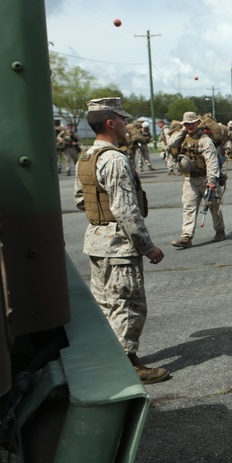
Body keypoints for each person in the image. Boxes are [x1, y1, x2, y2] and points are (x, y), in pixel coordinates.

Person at [73, 97, 169, 384]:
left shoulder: (87, 157)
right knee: (128, 304)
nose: (128, 125)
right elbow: (126, 211)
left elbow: (82, 200)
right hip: (118, 246)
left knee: (106, 304)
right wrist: (148, 246)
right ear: (111, 123)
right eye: (124, 120)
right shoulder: (114, 159)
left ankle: (108, 358)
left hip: (96, 241)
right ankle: (127, 364)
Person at [167, 111, 225, 248]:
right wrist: (182, 131)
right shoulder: (183, 137)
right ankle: (186, 237)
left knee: (214, 207)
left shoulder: (205, 140)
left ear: (197, 123)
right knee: (189, 207)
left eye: (192, 123)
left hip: (206, 178)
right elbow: (171, 143)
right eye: (187, 124)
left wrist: (212, 180)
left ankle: (220, 230)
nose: (189, 126)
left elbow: (211, 161)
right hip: (190, 179)